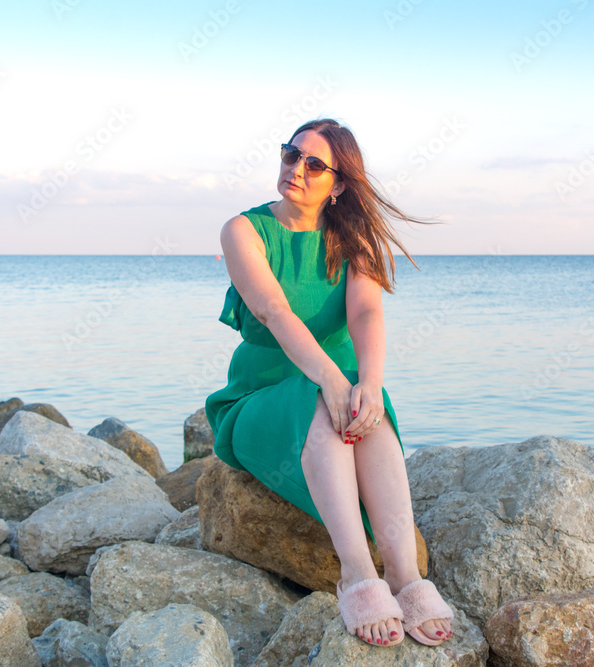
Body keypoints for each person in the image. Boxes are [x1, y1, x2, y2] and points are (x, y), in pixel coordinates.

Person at [205, 118, 454, 648]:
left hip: (336, 381)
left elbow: (366, 314)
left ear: (338, 183)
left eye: (314, 164)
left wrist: (368, 382)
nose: (296, 168)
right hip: (259, 396)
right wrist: (331, 381)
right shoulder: (243, 230)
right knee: (325, 404)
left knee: (373, 411)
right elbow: (273, 310)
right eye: (290, 154)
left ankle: (407, 578)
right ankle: (359, 574)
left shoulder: (354, 237)